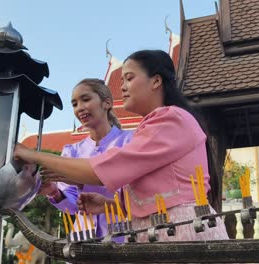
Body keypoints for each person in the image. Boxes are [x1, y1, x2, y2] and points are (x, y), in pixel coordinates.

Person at [14, 50, 228, 242]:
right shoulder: (153, 127)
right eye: (74, 104)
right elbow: (155, 195)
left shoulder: (170, 121)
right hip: (150, 232)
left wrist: (33, 155)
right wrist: (109, 204)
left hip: (180, 232)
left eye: (129, 78)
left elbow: (100, 170)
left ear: (155, 81)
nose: (122, 87)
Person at [38, 78, 132, 240]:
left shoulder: (130, 141)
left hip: (123, 234)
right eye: (74, 104)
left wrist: (83, 181)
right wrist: (55, 192)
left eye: (86, 99)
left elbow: (138, 193)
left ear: (107, 103)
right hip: (82, 238)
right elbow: (74, 207)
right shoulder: (71, 152)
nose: (79, 108)